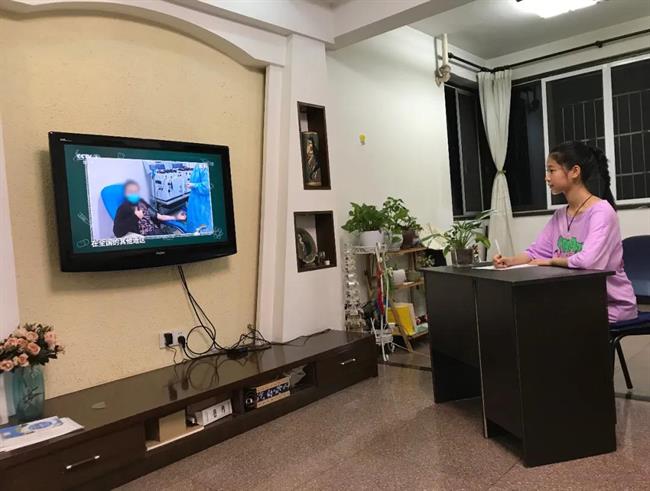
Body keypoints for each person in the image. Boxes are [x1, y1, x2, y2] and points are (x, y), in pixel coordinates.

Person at [493, 141, 637, 324]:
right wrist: (510, 261)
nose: (546, 177)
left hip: (609, 305)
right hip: (576, 301)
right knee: (528, 315)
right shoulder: (560, 215)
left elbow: (588, 261)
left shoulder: (602, 212)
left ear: (575, 172)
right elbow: (536, 253)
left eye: (551, 170)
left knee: (545, 321)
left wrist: (552, 261)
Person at [113, 180, 186, 238]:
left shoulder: (141, 202)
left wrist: (175, 217)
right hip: (146, 238)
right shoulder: (124, 208)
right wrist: (136, 217)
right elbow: (117, 232)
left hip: (156, 232)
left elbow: (159, 216)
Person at [185, 164, 213, 234]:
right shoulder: (198, 166)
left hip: (202, 202)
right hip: (195, 199)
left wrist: (193, 185)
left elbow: (207, 187)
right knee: (193, 222)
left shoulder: (204, 166)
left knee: (201, 225)